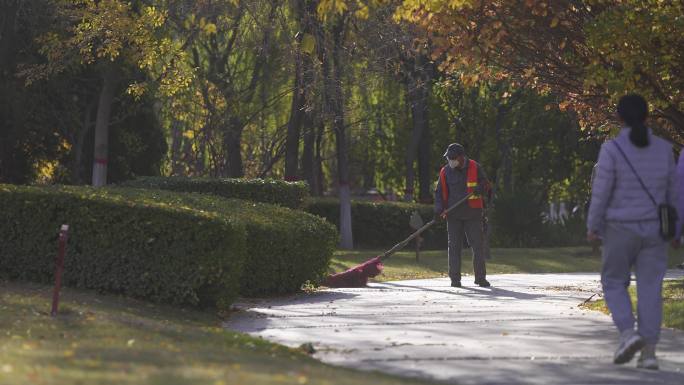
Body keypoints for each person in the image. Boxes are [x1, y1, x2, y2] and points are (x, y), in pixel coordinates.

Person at [587, 94, 678, 370]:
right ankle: (649, 352)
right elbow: (673, 193)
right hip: (654, 230)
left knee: (614, 282)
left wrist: (593, 225)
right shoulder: (664, 149)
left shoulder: (612, 150)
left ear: (619, 118)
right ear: (648, 117)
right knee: (651, 287)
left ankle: (628, 333)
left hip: (619, 228)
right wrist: (676, 228)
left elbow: (601, 192)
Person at [434, 143, 491, 287]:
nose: (450, 160)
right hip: (453, 215)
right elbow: (439, 193)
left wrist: (481, 187)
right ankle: (455, 279)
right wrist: (438, 209)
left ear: (461, 157)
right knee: (453, 247)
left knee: (477, 246)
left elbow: (487, 185)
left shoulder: (475, 167)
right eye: (448, 158)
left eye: (453, 158)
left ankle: (480, 278)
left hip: (473, 214)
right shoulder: (445, 171)